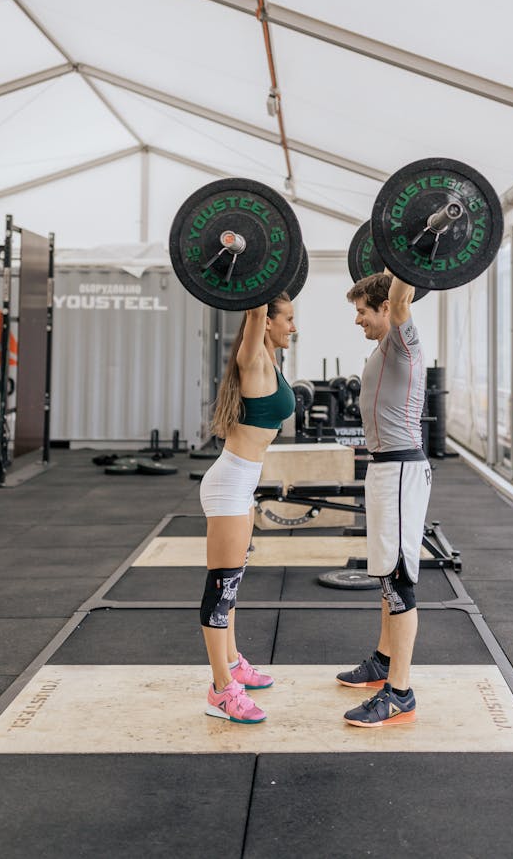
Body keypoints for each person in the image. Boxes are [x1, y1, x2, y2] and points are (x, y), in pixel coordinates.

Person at [338, 271, 430, 727]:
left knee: (398, 579)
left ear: (386, 309)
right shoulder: (381, 348)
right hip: (384, 468)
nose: (357, 320)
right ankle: (381, 660)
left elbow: (399, 295)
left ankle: (399, 691)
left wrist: (402, 258)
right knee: (384, 572)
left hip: (400, 471)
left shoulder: (402, 339)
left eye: (361, 311)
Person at [199, 293, 296, 724]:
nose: (293, 326)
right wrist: (261, 286)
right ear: (267, 321)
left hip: (242, 483)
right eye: (288, 319)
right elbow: (256, 306)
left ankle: (234, 661)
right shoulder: (253, 358)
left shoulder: (271, 363)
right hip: (229, 486)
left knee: (233, 584)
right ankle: (221, 689)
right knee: (222, 588)